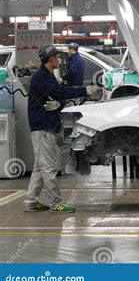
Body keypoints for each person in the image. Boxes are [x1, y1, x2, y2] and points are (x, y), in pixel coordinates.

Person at [25, 44, 100, 213]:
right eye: (57, 57)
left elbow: (56, 97)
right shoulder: (41, 77)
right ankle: (55, 203)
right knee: (49, 167)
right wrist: (84, 90)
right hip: (42, 128)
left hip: (45, 126)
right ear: (51, 59)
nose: (59, 59)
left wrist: (59, 104)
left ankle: (31, 201)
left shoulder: (48, 76)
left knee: (40, 166)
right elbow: (60, 92)